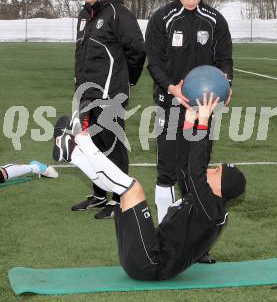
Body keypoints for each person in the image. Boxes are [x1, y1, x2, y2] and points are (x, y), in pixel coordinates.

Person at [53, 93, 246, 281]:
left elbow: (196, 168)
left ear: (221, 188)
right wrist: (189, 124)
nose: (210, 170)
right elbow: (184, 166)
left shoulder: (212, 211)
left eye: (216, 172)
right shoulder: (207, 205)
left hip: (150, 263)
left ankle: (83, 140)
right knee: (125, 192)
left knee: (132, 188)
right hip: (145, 255)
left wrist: (203, 122)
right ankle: (72, 153)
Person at [145, 0, 233, 262]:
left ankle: (196, 244)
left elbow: (225, 59)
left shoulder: (215, 20)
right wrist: (173, 88)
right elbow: (153, 63)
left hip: (203, 110)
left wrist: (226, 84)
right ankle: (165, 240)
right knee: (168, 172)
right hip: (170, 106)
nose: (191, 0)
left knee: (195, 173)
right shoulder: (161, 19)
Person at [71, 0, 146, 219]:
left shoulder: (117, 12)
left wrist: (128, 81)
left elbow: (137, 49)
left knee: (112, 145)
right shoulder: (85, 14)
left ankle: (119, 198)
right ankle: (99, 194)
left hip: (110, 93)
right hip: (86, 93)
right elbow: (82, 54)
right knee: (89, 145)